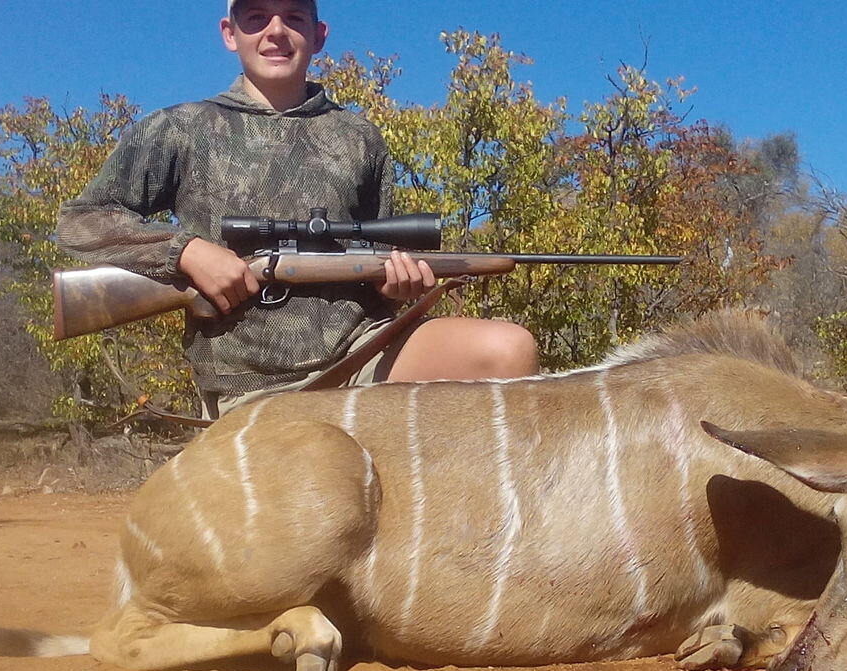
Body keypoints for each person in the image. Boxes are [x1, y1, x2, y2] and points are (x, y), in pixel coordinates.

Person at [56, 0, 539, 418]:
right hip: (247, 384)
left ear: (318, 34)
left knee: (508, 349)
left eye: (293, 17)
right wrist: (186, 252)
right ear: (230, 34)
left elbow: (380, 260)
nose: (275, 31)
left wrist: (398, 284)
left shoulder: (358, 136)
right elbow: (81, 221)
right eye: (256, 17)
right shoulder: (181, 128)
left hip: (363, 357)